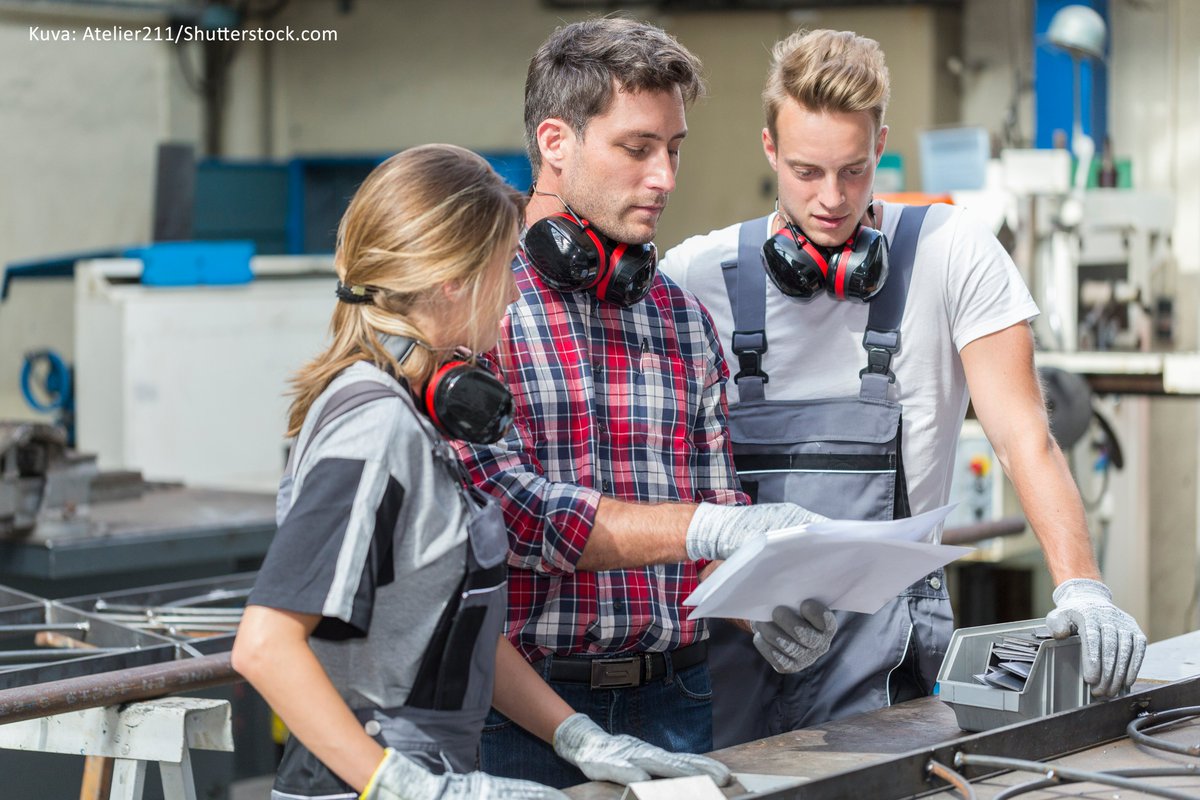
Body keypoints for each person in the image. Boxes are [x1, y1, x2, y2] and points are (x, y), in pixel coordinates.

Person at [660, 28, 1147, 748]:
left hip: (893, 662)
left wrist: (1081, 583)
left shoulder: (951, 252)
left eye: (854, 171)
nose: (831, 199)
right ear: (769, 150)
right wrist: (737, 603)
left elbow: (1022, 438)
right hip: (735, 656)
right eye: (805, 171)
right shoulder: (698, 276)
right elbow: (668, 481)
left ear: (882, 144)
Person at [231, 144, 732, 800]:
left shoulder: (413, 414)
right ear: (452, 281)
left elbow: (452, 629)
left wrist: (579, 736)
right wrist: (403, 786)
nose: (512, 294)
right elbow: (264, 646)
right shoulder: (373, 425)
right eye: (503, 269)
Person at [453, 18, 837, 789]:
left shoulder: (679, 316)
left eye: (675, 148)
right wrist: (713, 527)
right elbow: (516, 512)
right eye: (637, 149)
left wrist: (758, 602)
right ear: (555, 142)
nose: (665, 176)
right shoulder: (475, 309)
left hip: (679, 691)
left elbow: (716, 500)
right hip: (522, 710)